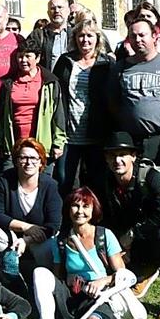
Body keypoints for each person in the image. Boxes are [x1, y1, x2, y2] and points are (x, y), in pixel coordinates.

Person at [30, 186, 144, 319]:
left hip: (100, 297)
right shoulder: (61, 241)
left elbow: (123, 275)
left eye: (86, 206)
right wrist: (68, 280)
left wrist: (102, 281)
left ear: (94, 210)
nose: (80, 211)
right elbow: (57, 275)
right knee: (40, 273)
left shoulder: (104, 236)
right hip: (72, 296)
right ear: (68, 210)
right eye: (75, 206)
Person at [101, 131, 160, 319]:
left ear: (133, 156)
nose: (117, 160)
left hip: (156, 233)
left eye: (123, 155)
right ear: (106, 159)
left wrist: (132, 235)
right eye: (112, 155)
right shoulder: (106, 181)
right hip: (132, 238)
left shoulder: (151, 177)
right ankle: (143, 272)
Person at [106, 18, 160, 167]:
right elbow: (113, 102)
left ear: (154, 36)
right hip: (131, 139)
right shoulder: (119, 68)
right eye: (133, 36)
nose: (138, 40)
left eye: (142, 35)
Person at [0, 139, 62, 282]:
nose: (28, 162)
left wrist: (26, 240)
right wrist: (27, 227)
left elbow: (54, 225)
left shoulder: (50, 186)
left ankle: (43, 281)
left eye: (33, 158)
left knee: (49, 245)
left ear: (41, 162)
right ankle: (9, 276)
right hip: (11, 238)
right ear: (16, 161)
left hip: (39, 239)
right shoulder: (4, 181)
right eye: (23, 157)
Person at [54, 19, 114, 199]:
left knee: (96, 181)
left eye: (89, 36)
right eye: (81, 35)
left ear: (97, 38)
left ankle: (95, 222)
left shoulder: (105, 64)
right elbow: (56, 94)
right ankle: (67, 222)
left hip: (96, 134)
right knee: (66, 180)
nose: (85, 40)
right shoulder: (66, 61)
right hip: (69, 135)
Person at [0, 39, 66, 175]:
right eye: (20, 56)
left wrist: (58, 143)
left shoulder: (50, 82)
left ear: (37, 58)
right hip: (14, 145)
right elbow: (0, 115)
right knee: (12, 185)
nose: (23, 60)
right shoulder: (8, 82)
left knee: (42, 185)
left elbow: (58, 114)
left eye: (28, 56)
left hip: (42, 145)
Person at [27, 0, 72, 71]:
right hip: (47, 80)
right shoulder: (38, 35)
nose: (57, 11)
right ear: (48, 13)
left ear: (68, 11)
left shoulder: (76, 33)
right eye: (52, 8)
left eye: (60, 7)